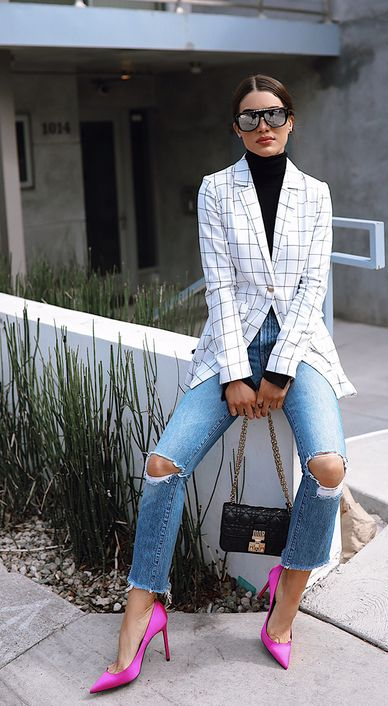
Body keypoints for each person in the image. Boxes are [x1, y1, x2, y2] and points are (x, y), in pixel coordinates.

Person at [90, 73, 356, 693]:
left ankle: (283, 604)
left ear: (291, 121)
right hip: (227, 348)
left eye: (274, 115)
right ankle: (143, 606)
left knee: (328, 468)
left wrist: (280, 371)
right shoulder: (216, 190)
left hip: (300, 345)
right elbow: (220, 287)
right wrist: (238, 374)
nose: (263, 127)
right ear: (236, 127)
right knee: (162, 464)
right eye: (249, 118)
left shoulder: (316, 194)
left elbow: (312, 290)